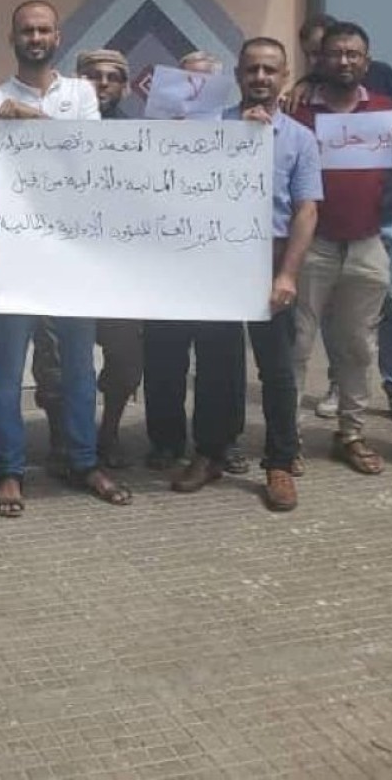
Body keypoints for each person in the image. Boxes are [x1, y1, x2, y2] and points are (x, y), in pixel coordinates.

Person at [0, 0, 132, 517]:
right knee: (6, 369)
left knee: (81, 368)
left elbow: (85, 158)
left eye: (43, 30)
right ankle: (11, 470)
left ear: (58, 36)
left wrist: (32, 120)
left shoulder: (82, 94)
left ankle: (84, 461)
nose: (35, 37)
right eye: (26, 30)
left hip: (72, 253)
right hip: (16, 254)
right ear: (11, 37)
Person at [290, 23, 392, 476]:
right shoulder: (299, 111)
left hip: (367, 243)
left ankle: (352, 432)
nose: (345, 61)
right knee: (298, 344)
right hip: (312, 245)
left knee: (359, 346)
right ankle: (288, 437)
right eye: (336, 53)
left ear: (367, 60)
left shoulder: (385, 108)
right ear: (319, 59)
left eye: (354, 54)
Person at [220, 37, 322, 511]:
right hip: (218, 255)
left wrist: (288, 274)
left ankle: (280, 461)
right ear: (239, 75)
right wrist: (234, 141)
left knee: (277, 369)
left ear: (284, 77)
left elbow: (306, 211)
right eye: (251, 69)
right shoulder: (213, 128)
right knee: (218, 364)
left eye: (269, 70)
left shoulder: (301, 138)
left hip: (272, 254)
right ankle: (211, 451)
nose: (260, 77)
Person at [29, 48, 144, 469]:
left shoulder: (142, 139)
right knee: (53, 361)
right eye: (93, 76)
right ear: (78, 83)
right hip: (59, 266)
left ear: (126, 86)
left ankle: (108, 432)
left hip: (116, 272)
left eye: (112, 77)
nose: (103, 84)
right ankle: (61, 438)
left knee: (126, 361)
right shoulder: (48, 132)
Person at [142, 48, 249, 478]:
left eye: (205, 84)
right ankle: (165, 442)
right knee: (164, 358)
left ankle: (221, 442)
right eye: (185, 83)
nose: (194, 94)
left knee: (221, 359)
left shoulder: (242, 134)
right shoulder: (147, 137)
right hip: (165, 268)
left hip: (220, 267)